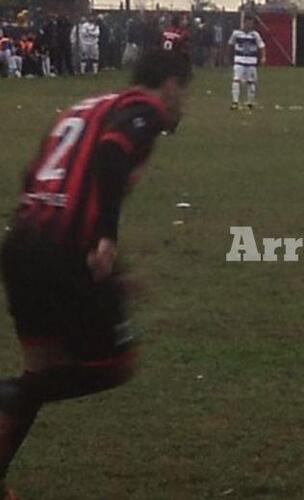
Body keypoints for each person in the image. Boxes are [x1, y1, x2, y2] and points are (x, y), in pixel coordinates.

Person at [0, 49, 192, 500]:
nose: (183, 102)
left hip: (23, 241)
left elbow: (33, 173)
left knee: (42, 371)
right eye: (185, 90)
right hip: (64, 248)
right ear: (169, 84)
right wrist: (106, 237)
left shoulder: (87, 106)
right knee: (114, 364)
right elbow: (112, 153)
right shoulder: (143, 109)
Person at [228, 14, 266, 110]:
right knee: (236, 80)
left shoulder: (255, 35)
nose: (250, 25)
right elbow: (230, 44)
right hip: (239, 61)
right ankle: (235, 102)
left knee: (251, 82)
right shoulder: (236, 33)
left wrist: (263, 57)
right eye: (248, 23)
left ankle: (250, 102)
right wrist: (230, 56)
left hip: (251, 62)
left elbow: (261, 46)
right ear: (244, 23)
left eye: (251, 23)